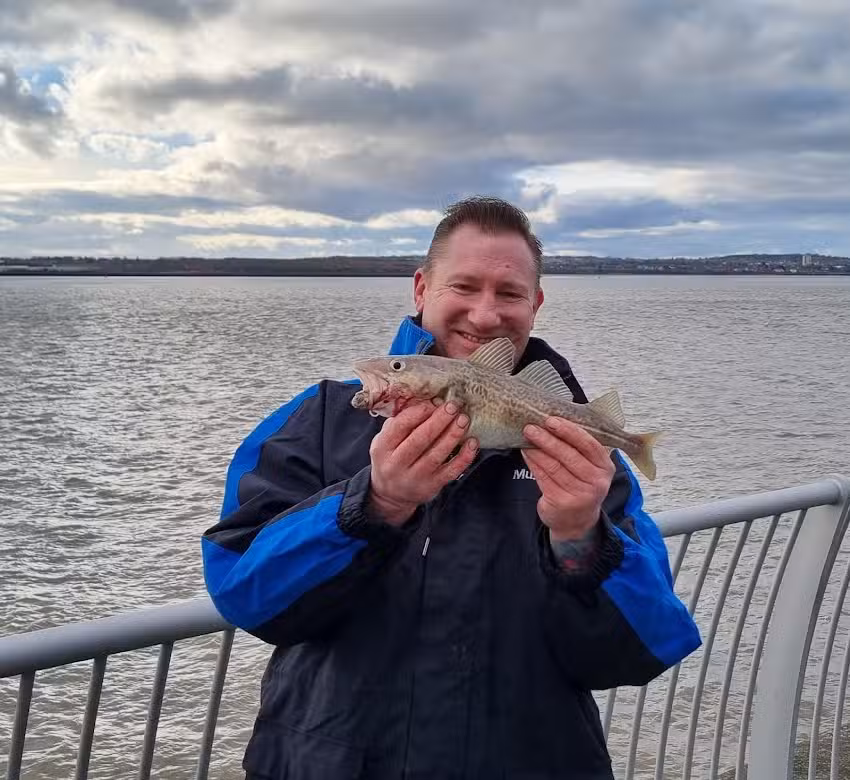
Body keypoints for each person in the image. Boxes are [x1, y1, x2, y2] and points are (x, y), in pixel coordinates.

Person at [201, 196, 701, 779]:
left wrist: (580, 537)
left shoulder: (586, 459)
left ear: (535, 305)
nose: (485, 315)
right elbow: (242, 592)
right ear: (421, 289)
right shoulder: (317, 420)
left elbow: (645, 648)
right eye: (463, 286)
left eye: (509, 294)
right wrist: (373, 504)